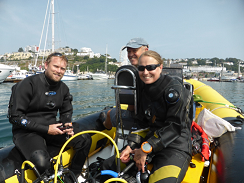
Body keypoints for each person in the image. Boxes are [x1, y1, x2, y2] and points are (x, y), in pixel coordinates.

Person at [102, 51, 192, 183]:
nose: (145, 72)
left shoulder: (174, 90)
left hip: (174, 145)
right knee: (107, 166)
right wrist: (131, 146)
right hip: (150, 141)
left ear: (160, 67)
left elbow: (174, 127)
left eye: (150, 67)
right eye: (141, 68)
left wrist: (146, 149)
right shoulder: (143, 89)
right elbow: (142, 123)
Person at [8, 52, 92, 177]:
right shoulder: (27, 84)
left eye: (62, 68)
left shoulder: (63, 88)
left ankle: (74, 175)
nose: (59, 71)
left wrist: (67, 123)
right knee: (41, 162)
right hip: (26, 132)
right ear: (46, 65)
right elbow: (15, 117)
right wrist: (46, 129)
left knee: (85, 139)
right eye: (55, 66)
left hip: (53, 128)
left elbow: (66, 111)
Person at [98, 38, 149, 130]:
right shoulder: (155, 70)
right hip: (151, 117)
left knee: (109, 113)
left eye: (135, 51)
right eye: (129, 51)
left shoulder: (130, 73)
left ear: (146, 50)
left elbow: (131, 107)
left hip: (139, 119)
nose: (130, 55)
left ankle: (107, 125)